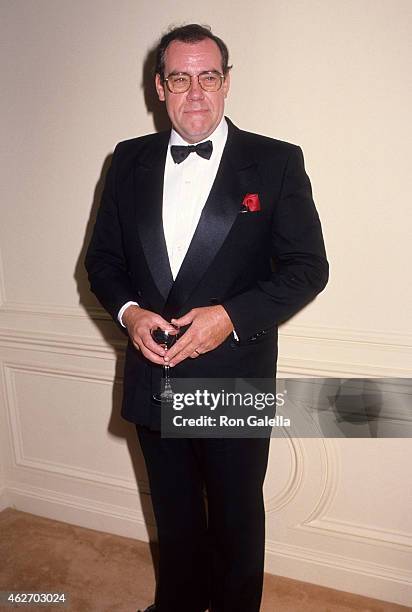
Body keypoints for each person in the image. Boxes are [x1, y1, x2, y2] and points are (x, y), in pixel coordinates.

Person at [85, 24, 328, 612]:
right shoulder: (127, 161)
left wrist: (231, 316)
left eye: (209, 76)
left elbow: (307, 268)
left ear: (226, 83)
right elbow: (103, 262)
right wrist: (129, 313)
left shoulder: (275, 163)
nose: (196, 92)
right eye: (180, 78)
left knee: (237, 523)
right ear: (160, 87)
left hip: (233, 379)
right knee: (174, 518)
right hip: (155, 376)